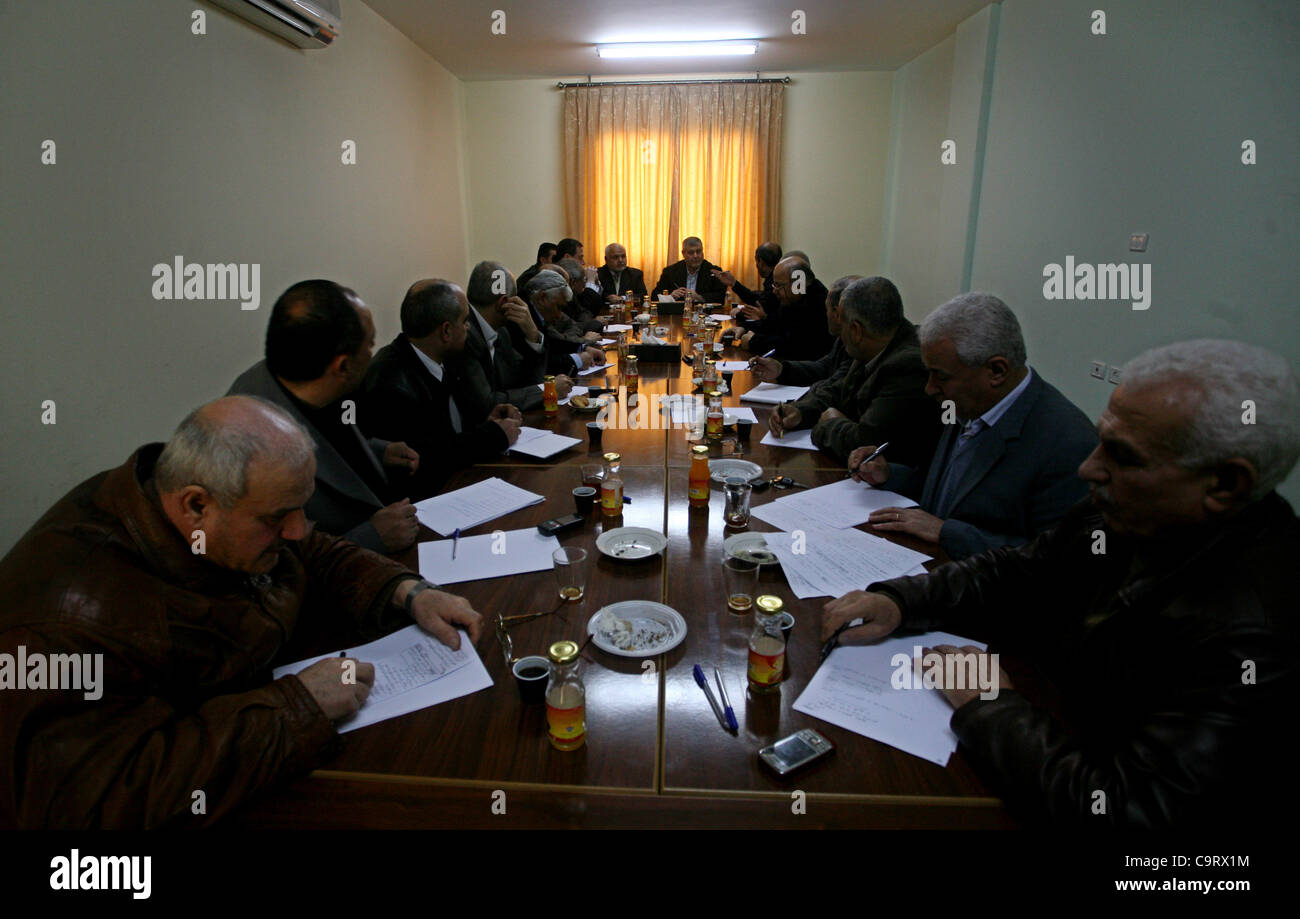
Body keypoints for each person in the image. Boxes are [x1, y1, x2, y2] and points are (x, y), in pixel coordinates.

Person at [824, 339, 1300, 828]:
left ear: (1225, 486)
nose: (1088, 468)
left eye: (1122, 455)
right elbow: (1019, 569)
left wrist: (990, 707)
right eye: (1101, 440)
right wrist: (899, 599)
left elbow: (1126, 813)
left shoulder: (1256, 634)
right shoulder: (1124, 510)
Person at [0, 396, 483, 828]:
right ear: (195, 506)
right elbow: (100, 803)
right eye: (278, 518)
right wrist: (296, 707)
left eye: (301, 509)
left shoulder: (209, 508)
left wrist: (408, 591)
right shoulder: (68, 625)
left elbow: (310, 552)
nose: (297, 530)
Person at [847, 292, 1096, 560]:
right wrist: (888, 474)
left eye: (940, 376)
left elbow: (1060, 561)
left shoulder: (1069, 444)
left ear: (996, 371)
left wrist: (947, 532)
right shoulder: (966, 403)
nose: (929, 388)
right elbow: (951, 490)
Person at [227, 280, 421, 553]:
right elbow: (270, 563)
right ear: (342, 366)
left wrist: (377, 451)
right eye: (370, 344)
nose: (373, 352)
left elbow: (328, 440)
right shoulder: (250, 445)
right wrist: (371, 538)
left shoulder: (308, 375)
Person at [358, 279, 523, 500]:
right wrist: (492, 436)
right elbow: (426, 457)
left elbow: (447, 433)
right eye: (465, 321)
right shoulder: (392, 382)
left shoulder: (442, 358)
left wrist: (485, 423)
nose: (469, 327)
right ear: (446, 331)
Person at [769, 277, 939, 466]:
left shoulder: (907, 366)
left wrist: (828, 424)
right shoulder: (876, 342)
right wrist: (800, 412)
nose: (840, 333)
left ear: (856, 330)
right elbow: (839, 390)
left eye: (842, 322)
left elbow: (862, 444)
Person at [461, 260, 570, 415]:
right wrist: (548, 390)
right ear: (504, 303)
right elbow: (487, 403)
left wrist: (533, 335)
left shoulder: (502, 332)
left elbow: (522, 383)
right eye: (516, 299)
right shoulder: (464, 337)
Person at [752, 274, 860, 389]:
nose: (774, 291)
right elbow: (824, 367)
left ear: (837, 313)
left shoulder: (857, 345)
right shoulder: (844, 336)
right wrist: (781, 370)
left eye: (778, 285)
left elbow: (835, 389)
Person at [732, 256, 832, 360]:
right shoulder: (794, 298)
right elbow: (775, 323)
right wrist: (744, 329)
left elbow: (794, 346)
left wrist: (753, 342)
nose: (774, 291)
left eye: (778, 285)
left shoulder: (817, 304)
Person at [526, 270, 606, 375]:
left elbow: (554, 342)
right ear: (542, 297)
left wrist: (582, 347)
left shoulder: (540, 310)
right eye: (558, 307)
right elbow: (541, 361)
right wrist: (577, 360)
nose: (559, 315)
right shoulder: (525, 317)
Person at [712, 241, 781, 319]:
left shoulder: (774, 283)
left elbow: (761, 308)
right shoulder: (775, 278)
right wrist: (733, 283)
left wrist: (739, 313)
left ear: (760, 261)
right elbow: (757, 299)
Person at [653, 236, 726, 303]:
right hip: (678, 314)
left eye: (698, 251)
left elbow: (721, 297)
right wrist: (670, 297)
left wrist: (698, 297)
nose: (695, 256)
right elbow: (654, 296)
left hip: (704, 314)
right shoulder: (670, 272)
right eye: (691, 252)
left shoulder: (713, 271)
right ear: (683, 253)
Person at [554, 257, 605, 329]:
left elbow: (583, 312)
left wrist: (591, 321)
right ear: (573, 283)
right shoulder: (561, 300)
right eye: (583, 279)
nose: (585, 284)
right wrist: (592, 322)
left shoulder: (573, 296)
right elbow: (570, 326)